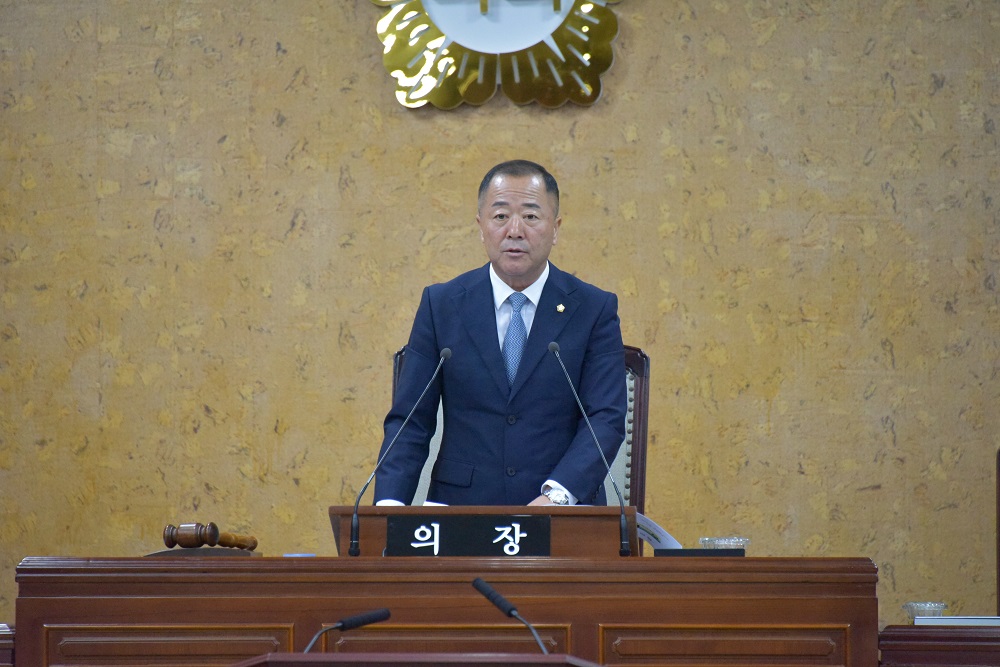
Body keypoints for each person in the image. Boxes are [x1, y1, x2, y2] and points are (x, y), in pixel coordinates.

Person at [373, 159, 627, 506]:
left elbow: (605, 419)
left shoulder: (593, 309)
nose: (515, 231)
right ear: (481, 227)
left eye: (532, 216)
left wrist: (558, 496)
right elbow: (410, 421)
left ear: (555, 228)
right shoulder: (442, 304)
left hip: (559, 515)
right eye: (500, 216)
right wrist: (388, 510)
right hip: (461, 515)